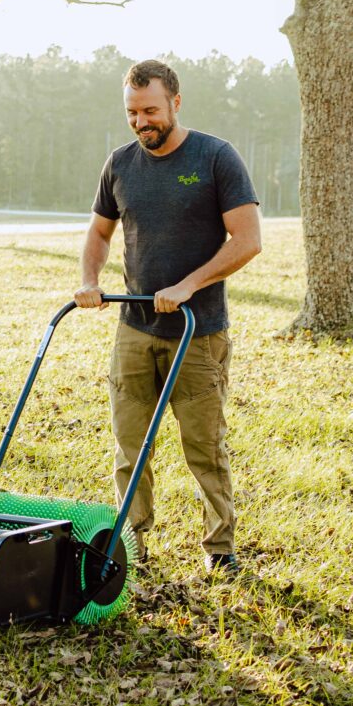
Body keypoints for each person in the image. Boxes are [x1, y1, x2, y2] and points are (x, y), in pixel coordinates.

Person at [76, 60, 262, 574]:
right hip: (136, 329)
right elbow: (98, 233)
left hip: (197, 332)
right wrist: (91, 282)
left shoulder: (215, 157)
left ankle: (220, 549)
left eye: (151, 110)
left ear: (176, 103)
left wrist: (188, 285)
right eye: (132, 113)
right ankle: (130, 544)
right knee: (130, 443)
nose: (141, 122)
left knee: (204, 445)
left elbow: (248, 240)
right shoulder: (119, 164)